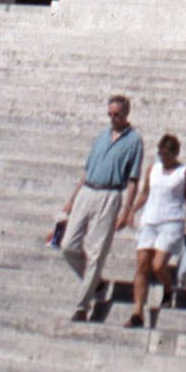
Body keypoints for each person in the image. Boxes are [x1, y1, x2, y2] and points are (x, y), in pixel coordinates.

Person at [56, 93, 144, 322]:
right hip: (88, 191)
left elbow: (133, 179)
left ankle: (82, 307)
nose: (113, 118)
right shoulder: (101, 136)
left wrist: (127, 210)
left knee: (96, 252)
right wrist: (72, 200)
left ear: (126, 113)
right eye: (110, 114)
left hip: (110, 193)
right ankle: (95, 282)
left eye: (117, 114)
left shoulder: (134, 141)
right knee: (68, 245)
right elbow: (86, 171)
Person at [120, 133, 186, 331]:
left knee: (157, 265)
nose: (163, 158)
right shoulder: (153, 169)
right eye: (161, 154)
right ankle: (137, 312)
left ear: (175, 154)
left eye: (167, 155)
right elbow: (146, 192)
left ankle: (168, 288)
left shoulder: (184, 172)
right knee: (141, 264)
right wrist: (131, 211)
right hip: (150, 220)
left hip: (171, 221)